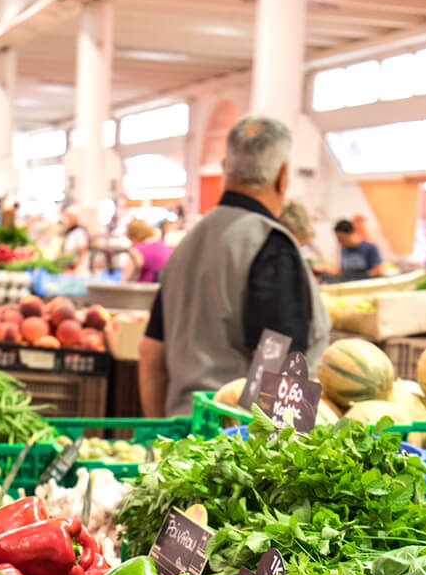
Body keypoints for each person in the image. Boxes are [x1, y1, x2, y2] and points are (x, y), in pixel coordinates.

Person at [139, 116, 329, 417]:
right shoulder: (271, 245)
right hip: (233, 450)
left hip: (182, 437)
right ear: (282, 176)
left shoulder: (186, 244)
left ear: (226, 167)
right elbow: (279, 366)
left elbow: (150, 353)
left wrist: (159, 433)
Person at [126, 218, 172, 284]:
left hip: (143, 292)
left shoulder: (137, 251)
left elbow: (125, 280)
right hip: (165, 292)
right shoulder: (167, 248)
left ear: (133, 237)